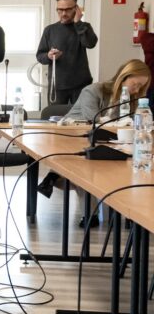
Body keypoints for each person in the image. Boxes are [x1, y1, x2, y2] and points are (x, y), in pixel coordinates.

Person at [37, 59, 151, 225]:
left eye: (142, 87)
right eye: (136, 84)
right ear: (124, 76)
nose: (137, 90)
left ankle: (130, 215)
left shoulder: (132, 100)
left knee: (126, 165)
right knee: (86, 168)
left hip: (105, 141)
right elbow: (93, 119)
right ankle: (90, 215)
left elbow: (132, 125)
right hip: (74, 138)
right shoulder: (93, 90)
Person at [36, 0, 98, 104]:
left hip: (81, 84)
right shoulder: (50, 30)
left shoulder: (84, 27)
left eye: (68, 10)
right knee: (55, 114)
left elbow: (90, 44)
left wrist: (78, 23)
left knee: (81, 115)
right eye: (60, 10)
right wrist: (49, 56)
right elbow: (40, 56)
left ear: (76, 9)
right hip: (57, 85)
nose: (64, 13)